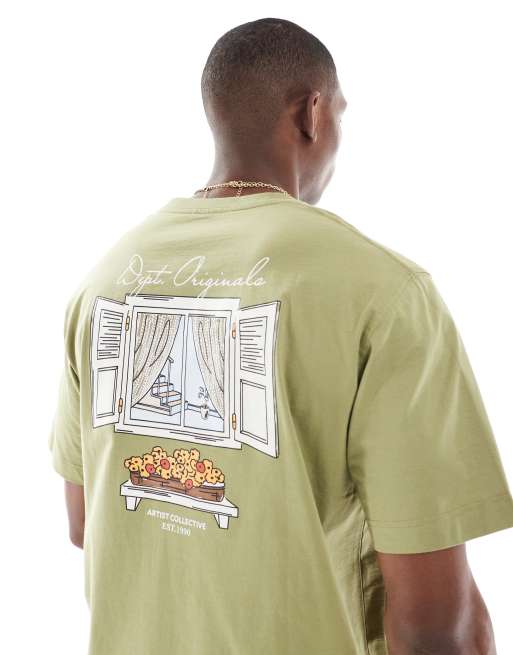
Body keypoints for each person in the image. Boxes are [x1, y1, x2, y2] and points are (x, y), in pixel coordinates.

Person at [49, 17, 513, 655]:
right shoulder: (385, 292)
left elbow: (87, 522)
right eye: (340, 116)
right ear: (312, 113)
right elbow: (437, 627)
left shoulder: (102, 281)